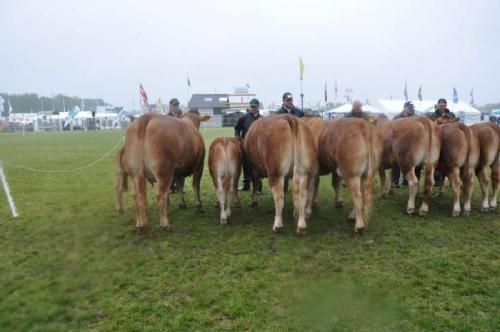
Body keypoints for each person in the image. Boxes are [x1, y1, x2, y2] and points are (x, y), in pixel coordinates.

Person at [391, 101, 421, 187]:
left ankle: (408, 180)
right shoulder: (397, 117)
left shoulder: (416, 118)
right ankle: (395, 181)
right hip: (399, 144)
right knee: (396, 162)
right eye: (409, 107)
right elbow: (391, 130)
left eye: (412, 108)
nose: (411, 109)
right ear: (404, 108)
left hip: (413, 144)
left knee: (414, 163)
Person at [235, 98, 262, 192]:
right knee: (246, 165)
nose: (253, 108)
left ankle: (258, 188)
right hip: (245, 146)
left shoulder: (262, 119)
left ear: (258, 107)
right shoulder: (243, 118)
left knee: (258, 166)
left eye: (255, 107)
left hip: (259, 147)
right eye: (251, 106)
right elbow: (237, 129)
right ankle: (246, 185)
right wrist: (238, 138)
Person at [167, 98, 184, 192]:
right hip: (170, 144)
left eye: (177, 105)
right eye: (174, 105)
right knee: (170, 167)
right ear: (170, 106)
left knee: (182, 167)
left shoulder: (182, 116)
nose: (176, 107)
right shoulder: (166, 117)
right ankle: (170, 186)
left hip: (182, 144)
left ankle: (180, 187)